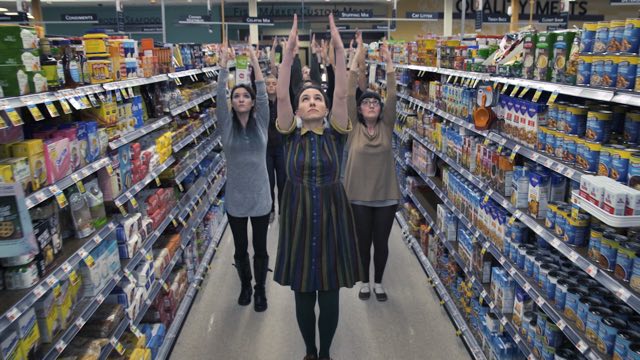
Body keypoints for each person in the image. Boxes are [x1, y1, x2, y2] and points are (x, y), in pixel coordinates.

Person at [273, 14, 363, 360]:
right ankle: (309, 350)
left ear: (326, 110)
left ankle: (325, 352)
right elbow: (281, 93)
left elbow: (342, 92)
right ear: (297, 110)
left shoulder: (336, 133)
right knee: (302, 293)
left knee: (329, 293)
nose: (312, 101)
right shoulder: (289, 134)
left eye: (317, 99)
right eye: (306, 99)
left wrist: (340, 52)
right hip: (297, 215)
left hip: (331, 217)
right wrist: (288, 56)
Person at [343, 33, 401, 302]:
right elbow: (348, 88)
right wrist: (357, 56)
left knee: (382, 243)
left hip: (385, 196)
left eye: (375, 103)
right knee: (362, 242)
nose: (371, 105)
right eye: (366, 102)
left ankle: (379, 282)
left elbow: (392, 95)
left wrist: (389, 63)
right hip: (357, 196)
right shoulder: (353, 127)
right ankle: (364, 281)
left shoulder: (386, 127)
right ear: (359, 108)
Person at [216, 42, 271, 312]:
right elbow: (218, 96)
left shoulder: (262, 123)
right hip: (236, 198)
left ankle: (261, 289)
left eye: (244, 96)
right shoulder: (226, 126)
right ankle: (245, 286)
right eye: (236, 96)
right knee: (240, 249)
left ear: (251, 102)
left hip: (261, 195)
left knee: (260, 248)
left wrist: (253, 59)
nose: (240, 99)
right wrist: (224, 66)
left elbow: (262, 92)